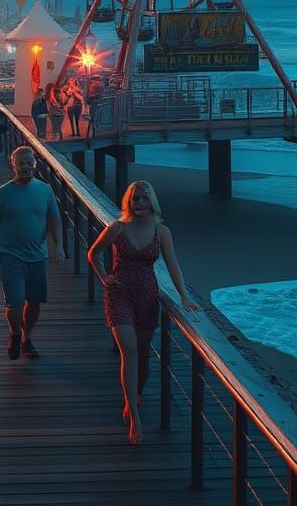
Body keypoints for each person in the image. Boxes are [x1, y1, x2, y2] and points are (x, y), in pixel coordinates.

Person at [87, 180, 199, 445]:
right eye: (134, 199)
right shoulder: (118, 228)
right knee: (130, 352)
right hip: (119, 295)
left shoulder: (161, 232)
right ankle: (134, 412)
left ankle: (136, 392)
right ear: (128, 202)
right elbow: (94, 252)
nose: (138, 203)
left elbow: (173, 265)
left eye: (143, 199)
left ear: (152, 202)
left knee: (144, 355)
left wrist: (183, 296)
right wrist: (104, 278)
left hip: (148, 296)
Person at [0, 147, 63, 361]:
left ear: (35, 165)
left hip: (38, 255)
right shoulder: (3, 193)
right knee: (15, 303)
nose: (26, 167)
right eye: (22, 164)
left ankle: (26, 338)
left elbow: (54, 218)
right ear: (13, 165)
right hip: (10, 255)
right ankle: (15, 334)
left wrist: (58, 244)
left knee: (34, 302)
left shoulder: (45, 190)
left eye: (30, 163)